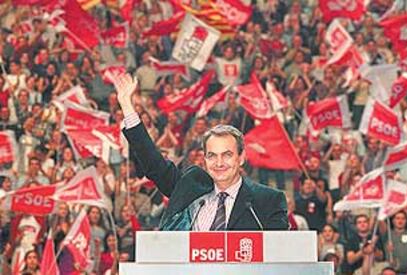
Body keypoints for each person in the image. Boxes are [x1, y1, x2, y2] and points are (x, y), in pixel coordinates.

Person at [114, 73, 288, 231]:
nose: (219, 163)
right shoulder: (190, 186)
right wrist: (127, 106)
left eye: (227, 155)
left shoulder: (267, 200)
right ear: (204, 159)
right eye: (212, 156)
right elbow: (153, 163)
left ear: (241, 158)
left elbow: (279, 254)